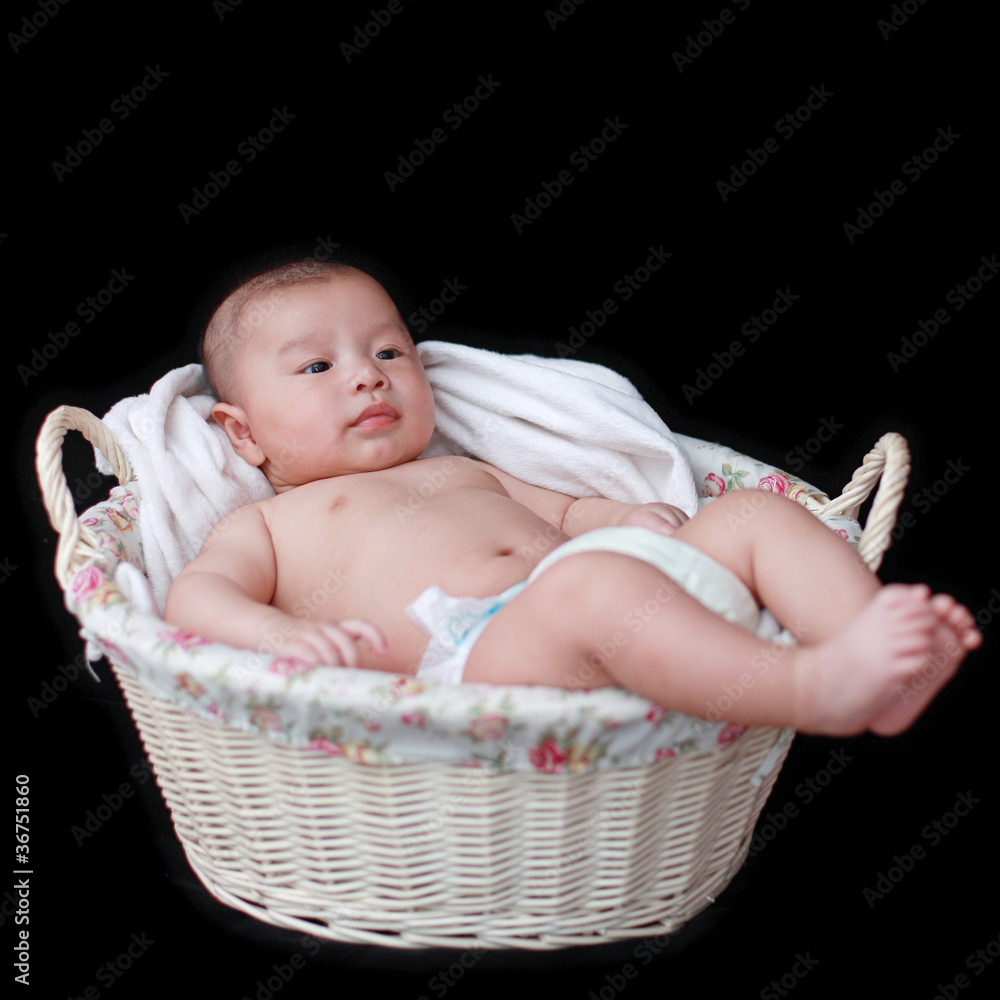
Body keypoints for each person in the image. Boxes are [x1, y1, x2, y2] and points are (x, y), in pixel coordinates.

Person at [163, 258, 981, 737]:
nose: (367, 374)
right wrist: (272, 633)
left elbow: (564, 513)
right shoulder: (263, 522)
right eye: (317, 367)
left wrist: (625, 517)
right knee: (589, 588)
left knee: (753, 515)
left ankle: (870, 652)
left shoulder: (461, 466)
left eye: (389, 351)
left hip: (608, 584)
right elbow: (194, 596)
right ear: (242, 434)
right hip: (484, 663)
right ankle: (812, 689)